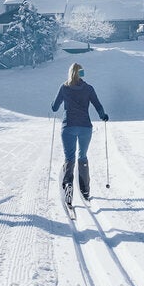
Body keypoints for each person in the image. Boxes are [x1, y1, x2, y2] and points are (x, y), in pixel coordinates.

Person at [51, 62, 108, 206]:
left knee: (69, 157)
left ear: (70, 73)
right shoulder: (88, 88)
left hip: (68, 126)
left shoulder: (64, 87)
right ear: (81, 73)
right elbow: (98, 105)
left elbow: (54, 107)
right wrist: (103, 116)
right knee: (82, 157)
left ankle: (68, 185)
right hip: (85, 127)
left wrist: (55, 103)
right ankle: (85, 191)